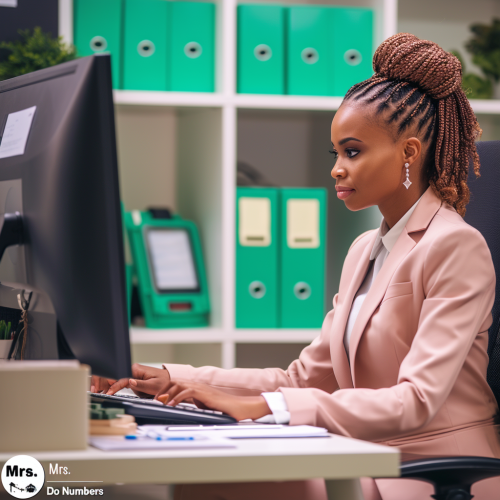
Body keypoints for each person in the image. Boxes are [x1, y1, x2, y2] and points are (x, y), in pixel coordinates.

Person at [92, 33, 500, 499]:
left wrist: (262, 407)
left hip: (433, 468)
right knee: (209, 478)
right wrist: (173, 378)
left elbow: (418, 400)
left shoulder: (456, 246)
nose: (336, 169)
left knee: (234, 485)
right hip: (364, 451)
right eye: (336, 154)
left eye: (353, 151)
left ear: (408, 152)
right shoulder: (366, 248)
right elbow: (300, 378)